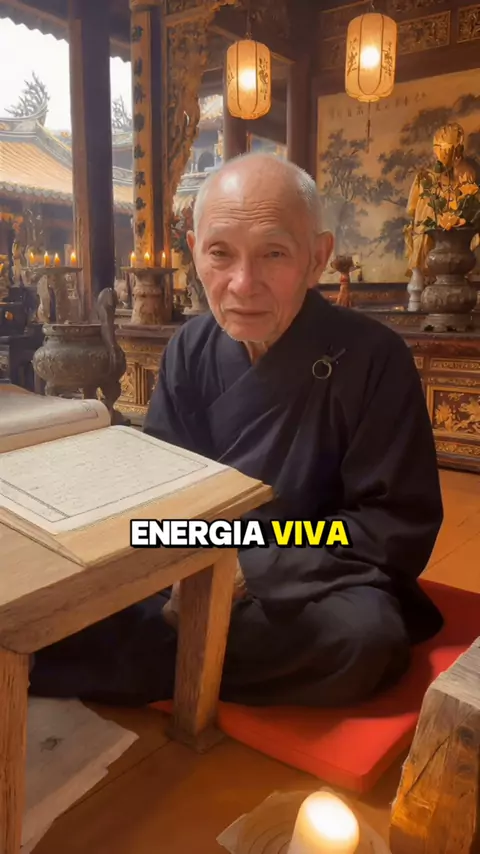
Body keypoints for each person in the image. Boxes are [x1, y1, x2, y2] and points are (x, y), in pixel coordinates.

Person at [30, 153, 444, 708]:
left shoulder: (375, 357)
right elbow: (163, 494)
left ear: (317, 258)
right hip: (192, 560)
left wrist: (247, 565)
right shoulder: (190, 347)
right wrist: (173, 559)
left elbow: (388, 527)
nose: (243, 285)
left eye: (274, 253)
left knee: (364, 639)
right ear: (194, 249)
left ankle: (111, 657)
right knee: (67, 581)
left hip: (313, 574)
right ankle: (162, 649)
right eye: (220, 253)